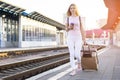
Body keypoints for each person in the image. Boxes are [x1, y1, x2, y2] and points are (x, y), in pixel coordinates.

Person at [65, 3, 86, 76]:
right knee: (71, 54)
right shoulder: (68, 18)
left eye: (74, 8)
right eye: (71, 8)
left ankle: (79, 62)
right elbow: (66, 29)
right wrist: (69, 28)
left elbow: (82, 29)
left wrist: (84, 39)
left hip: (78, 37)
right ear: (69, 9)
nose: (72, 9)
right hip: (70, 37)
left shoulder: (79, 17)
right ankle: (73, 69)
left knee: (77, 54)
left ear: (76, 9)